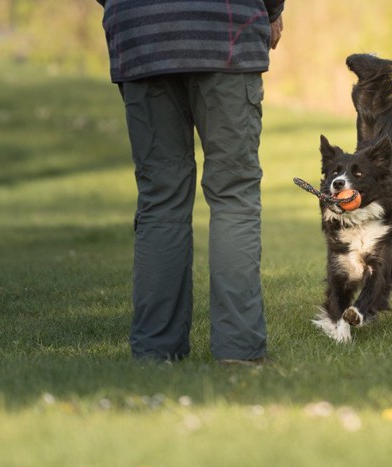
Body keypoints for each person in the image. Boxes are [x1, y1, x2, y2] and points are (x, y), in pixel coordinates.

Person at [95, 0, 285, 363]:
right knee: (234, 195)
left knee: (161, 199)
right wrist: (273, 11)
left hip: (141, 34)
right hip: (224, 30)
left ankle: (155, 351)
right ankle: (240, 351)